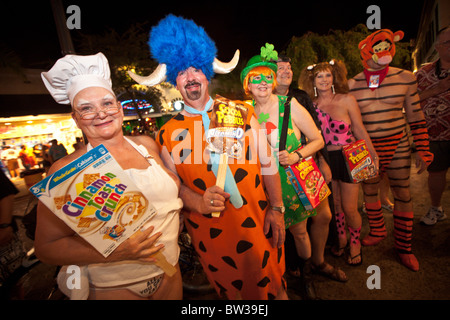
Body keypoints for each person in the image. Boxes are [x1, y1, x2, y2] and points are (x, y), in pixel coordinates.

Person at [128, 15, 287, 300]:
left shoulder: (242, 111)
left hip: (256, 218)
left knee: (271, 286)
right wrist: (198, 201)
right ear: (175, 81)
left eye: (197, 69)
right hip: (209, 231)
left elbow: (268, 163)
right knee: (232, 293)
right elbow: (173, 185)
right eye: (181, 72)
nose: (190, 77)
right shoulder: (166, 133)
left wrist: (277, 208)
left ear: (207, 74)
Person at [36, 52, 183, 300]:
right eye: (86, 108)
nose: (101, 113)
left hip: (171, 275)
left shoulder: (148, 145)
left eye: (106, 103)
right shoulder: (66, 170)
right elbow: (46, 248)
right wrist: (114, 252)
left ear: (118, 107)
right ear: (75, 119)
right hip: (115, 287)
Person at [241, 44, 348, 289]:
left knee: (323, 217)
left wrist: (297, 155)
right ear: (247, 85)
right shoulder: (246, 115)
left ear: (273, 80)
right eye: (255, 78)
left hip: (302, 174)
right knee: (298, 232)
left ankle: (311, 270)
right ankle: (299, 276)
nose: (263, 82)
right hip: (273, 183)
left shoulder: (290, 105)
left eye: (267, 77)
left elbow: (318, 139)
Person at [348, 29, 434, 271]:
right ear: (366, 50)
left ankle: (404, 246)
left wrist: (423, 148)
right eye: (377, 46)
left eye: (387, 45)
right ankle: (377, 230)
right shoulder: (351, 84)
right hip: (367, 147)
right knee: (370, 191)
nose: (383, 50)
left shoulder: (406, 77)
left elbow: (416, 114)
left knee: (403, 193)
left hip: (398, 143)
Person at [299, 59, 378, 267]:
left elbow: (360, 130)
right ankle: (341, 237)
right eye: (319, 76)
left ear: (334, 77)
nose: (324, 80)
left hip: (352, 156)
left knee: (350, 207)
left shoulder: (347, 99)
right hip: (326, 158)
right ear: (312, 80)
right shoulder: (312, 106)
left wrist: (373, 154)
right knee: (335, 206)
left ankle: (355, 243)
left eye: (327, 75)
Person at [416, 25, 450, 226]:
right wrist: (438, 89)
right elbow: (411, 100)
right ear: (437, 46)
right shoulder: (424, 72)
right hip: (435, 135)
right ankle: (436, 208)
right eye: (448, 42)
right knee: (436, 174)